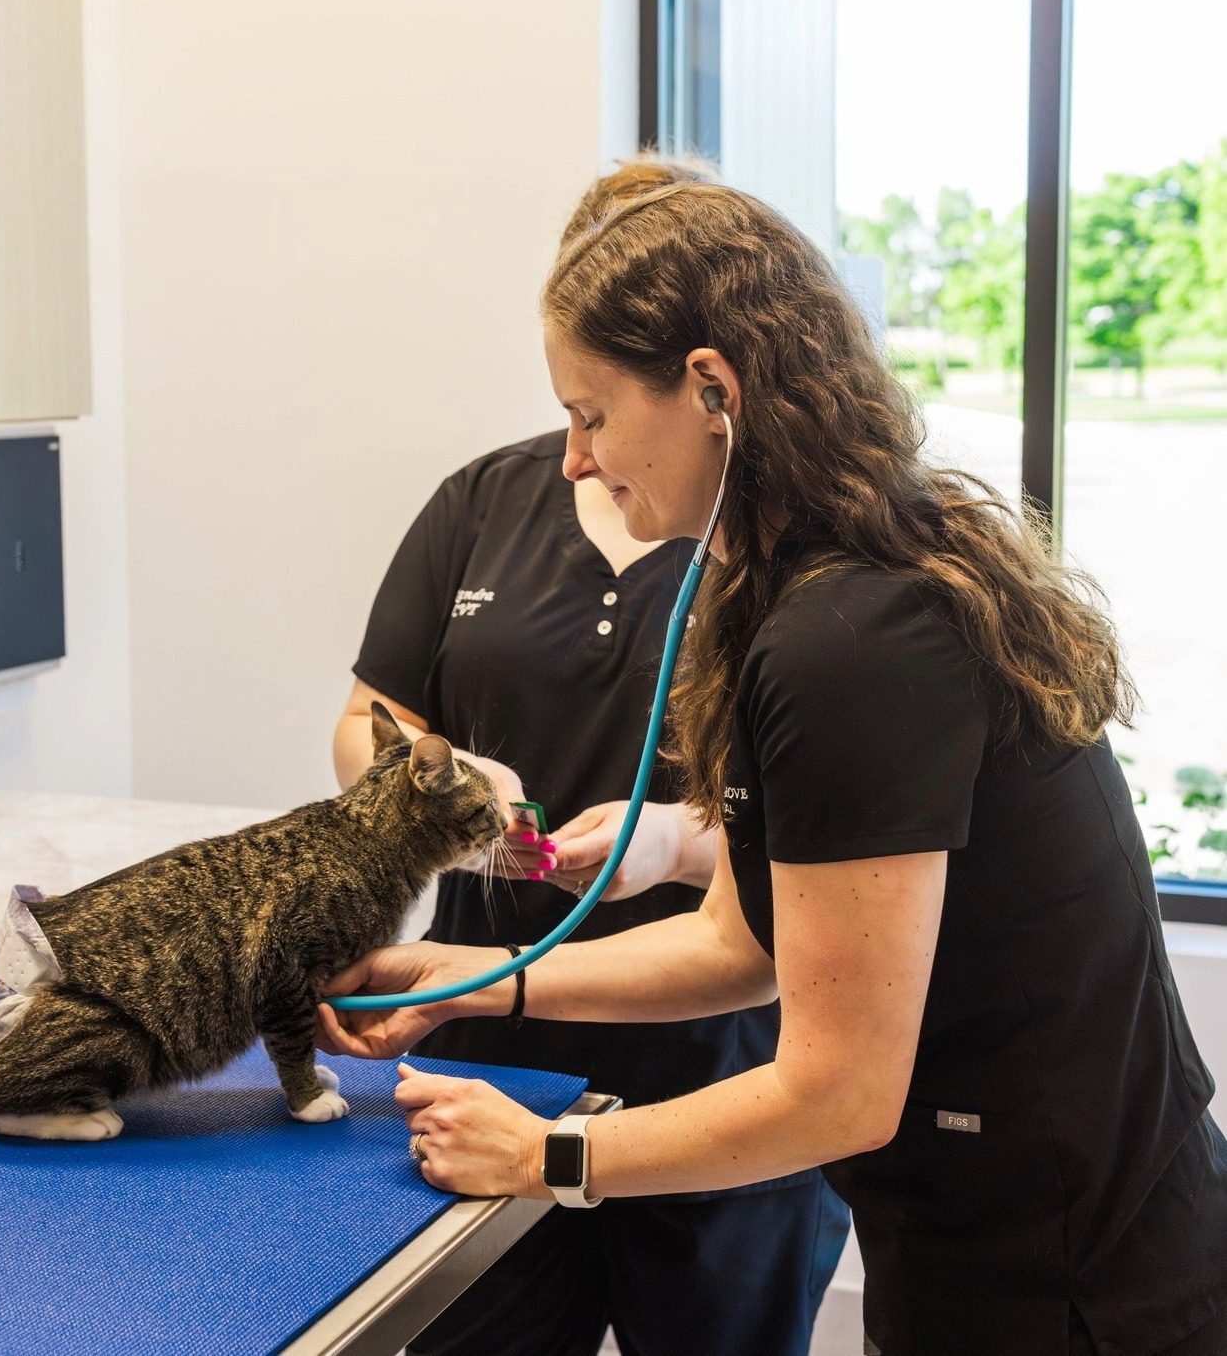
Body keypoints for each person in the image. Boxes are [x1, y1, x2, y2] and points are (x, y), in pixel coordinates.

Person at [321, 178, 1227, 1356]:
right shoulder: (826, 588)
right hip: (968, 1229)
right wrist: (470, 974)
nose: (575, 462)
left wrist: (549, 1155)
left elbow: (839, 1089)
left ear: (712, 390)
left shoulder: (849, 638)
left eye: (593, 414)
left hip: (1070, 1268)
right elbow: (739, 945)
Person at [330, 162, 849, 1356]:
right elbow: (368, 720)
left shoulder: (783, 555)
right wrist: (451, 783)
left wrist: (669, 839)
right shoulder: (483, 499)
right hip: (490, 1058)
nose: (581, 450)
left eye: (600, 412)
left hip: (719, 1063)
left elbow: (823, 823)